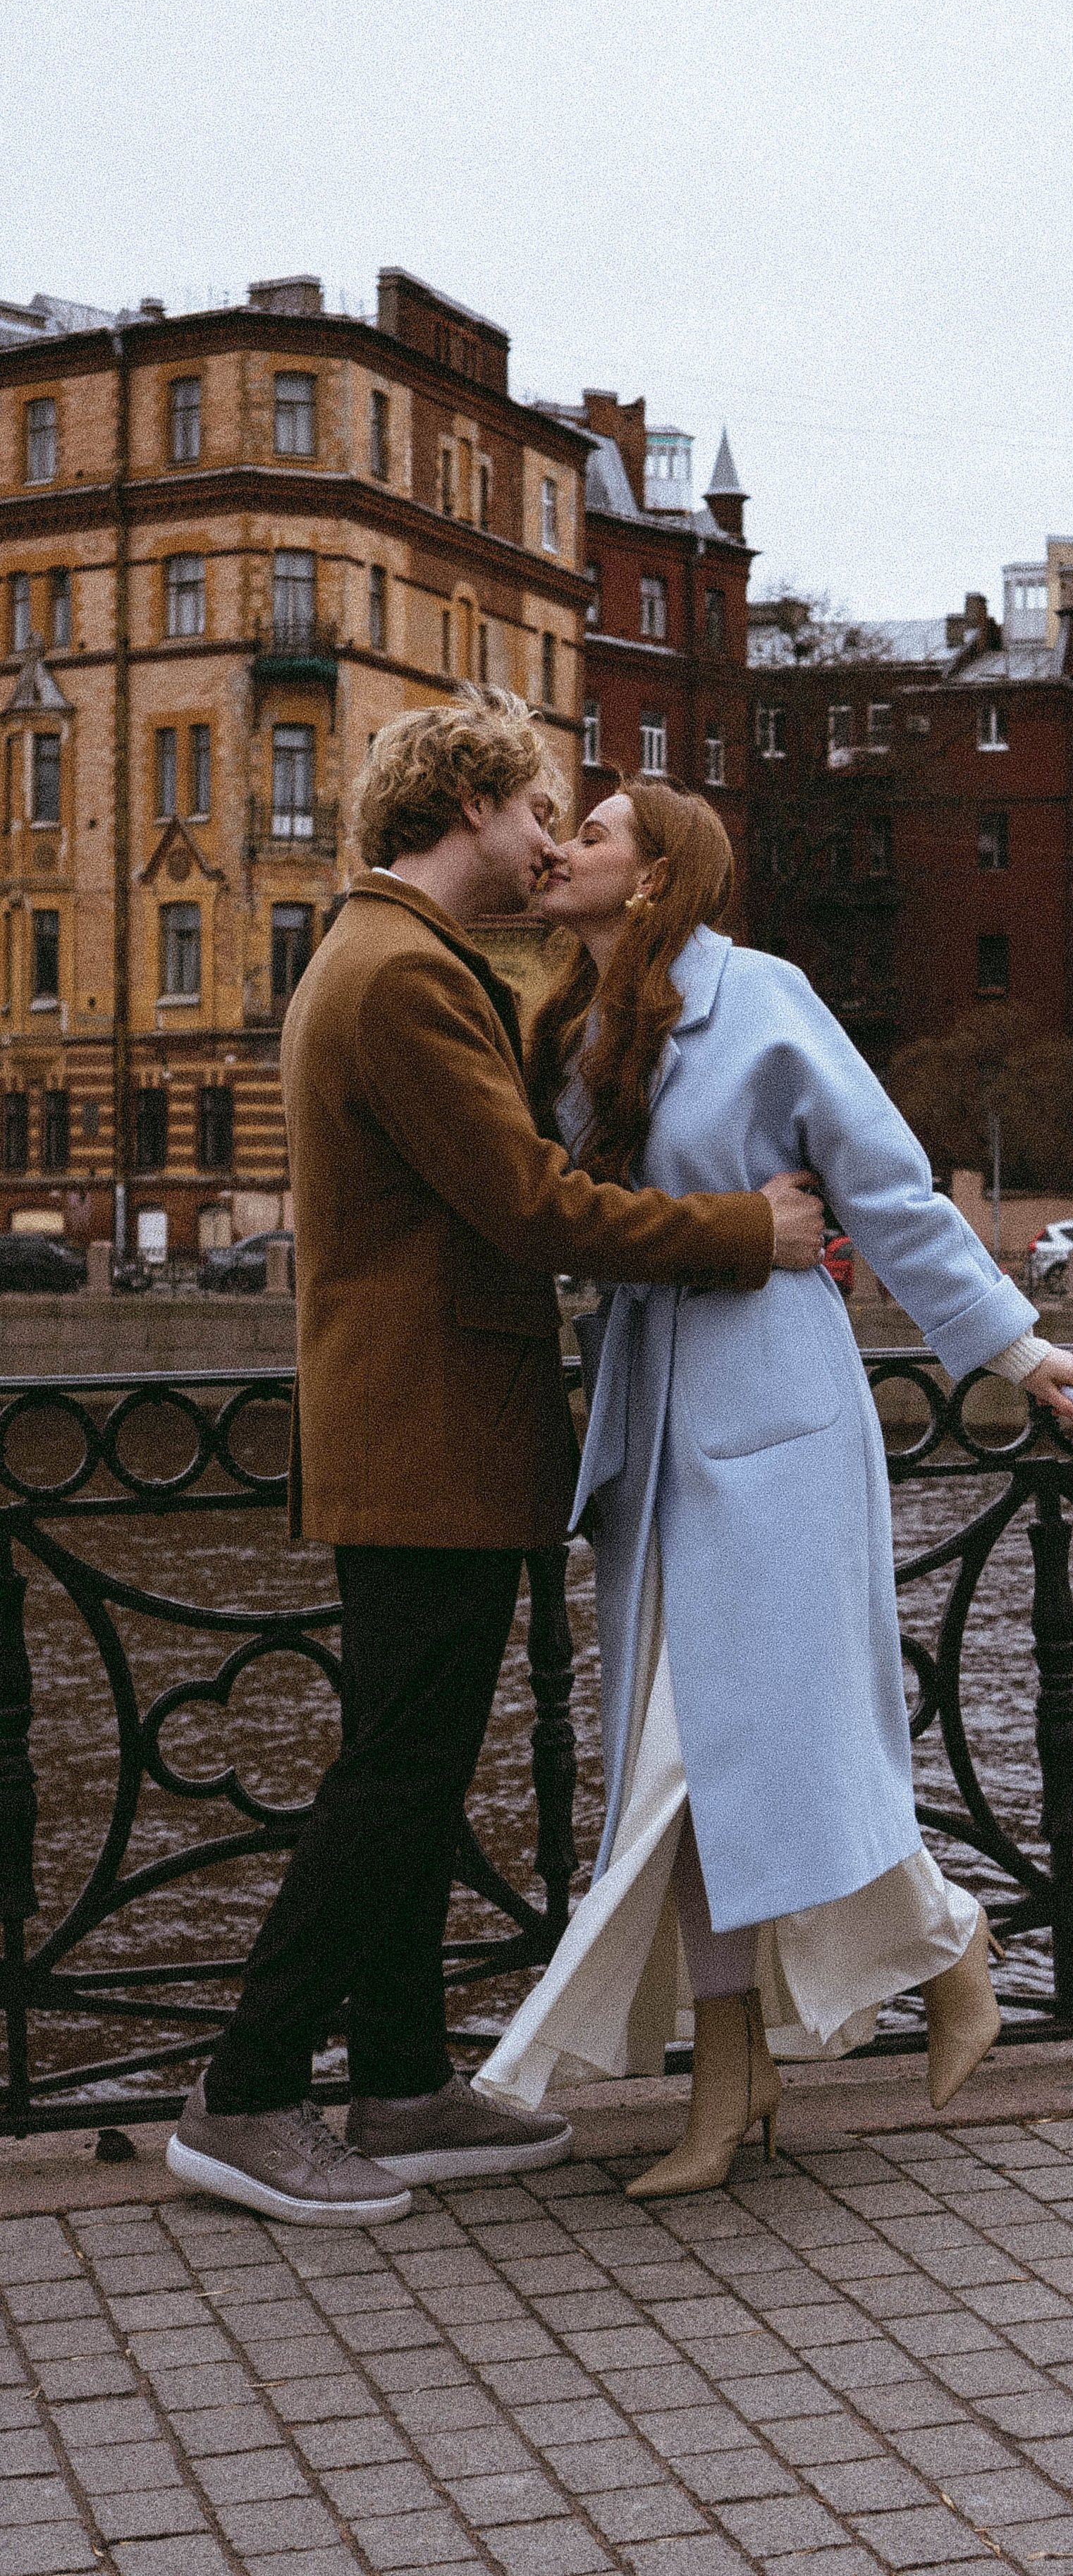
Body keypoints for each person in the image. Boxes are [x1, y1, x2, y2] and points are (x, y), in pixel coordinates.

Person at [167, 695, 825, 2228]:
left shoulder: (396, 956)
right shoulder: (400, 976)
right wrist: (749, 1230)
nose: (550, 839)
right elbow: (530, 1208)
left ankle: (398, 2078)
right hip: (426, 1433)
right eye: (538, 810)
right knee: (394, 1771)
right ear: (466, 805)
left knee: (416, 1763)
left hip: (425, 1433)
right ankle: (247, 2093)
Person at [477, 780, 1073, 2197]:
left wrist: (1010, 1345)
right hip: (650, 1418)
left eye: (597, 829)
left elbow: (884, 1186)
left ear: (654, 877)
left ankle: (942, 1944)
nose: (564, 844)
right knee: (687, 1786)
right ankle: (735, 2081)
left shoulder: (760, 998)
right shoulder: (576, 1026)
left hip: (775, 1411)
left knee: (724, 1751)